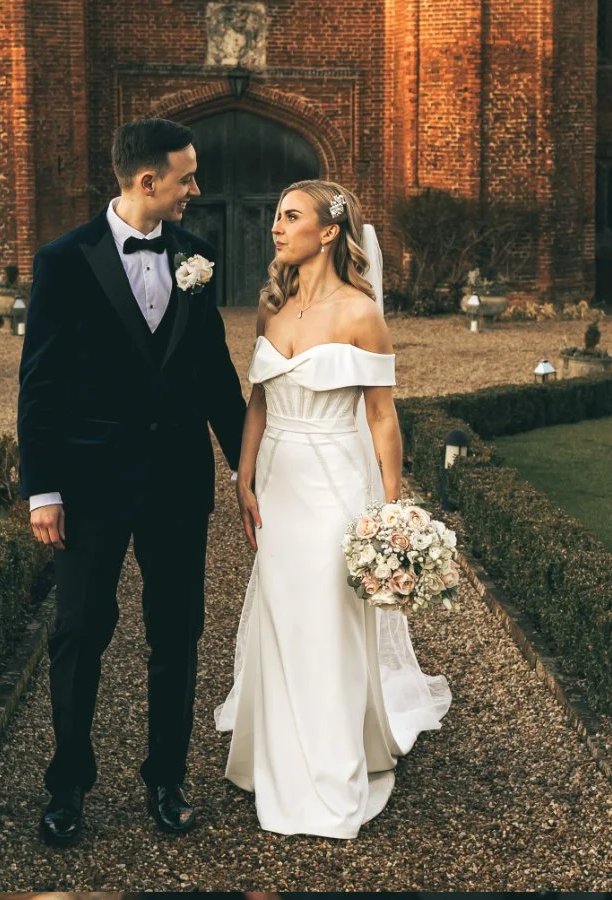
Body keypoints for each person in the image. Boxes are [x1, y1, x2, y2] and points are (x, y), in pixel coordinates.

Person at [16, 117, 247, 847]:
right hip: (87, 487)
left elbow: (212, 373)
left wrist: (246, 464)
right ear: (148, 182)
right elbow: (40, 384)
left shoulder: (198, 257)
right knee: (80, 632)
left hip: (178, 484)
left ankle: (166, 778)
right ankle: (67, 787)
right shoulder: (63, 262)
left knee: (176, 635)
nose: (197, 189)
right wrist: (43, 489)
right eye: (187, 177)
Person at [214, 180, 452, 839]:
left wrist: (390, 509)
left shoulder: (359, 313)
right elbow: (259, 402)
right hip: (280, 482)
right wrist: (244, 474)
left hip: (335, 482)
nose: (275, 227)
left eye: (289, 216)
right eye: (275, 215)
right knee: (282, 613)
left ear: (326, 232)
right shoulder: (271, 307)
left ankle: (329, 768)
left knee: (327, 616)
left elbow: (382, 420)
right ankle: (276, 756)